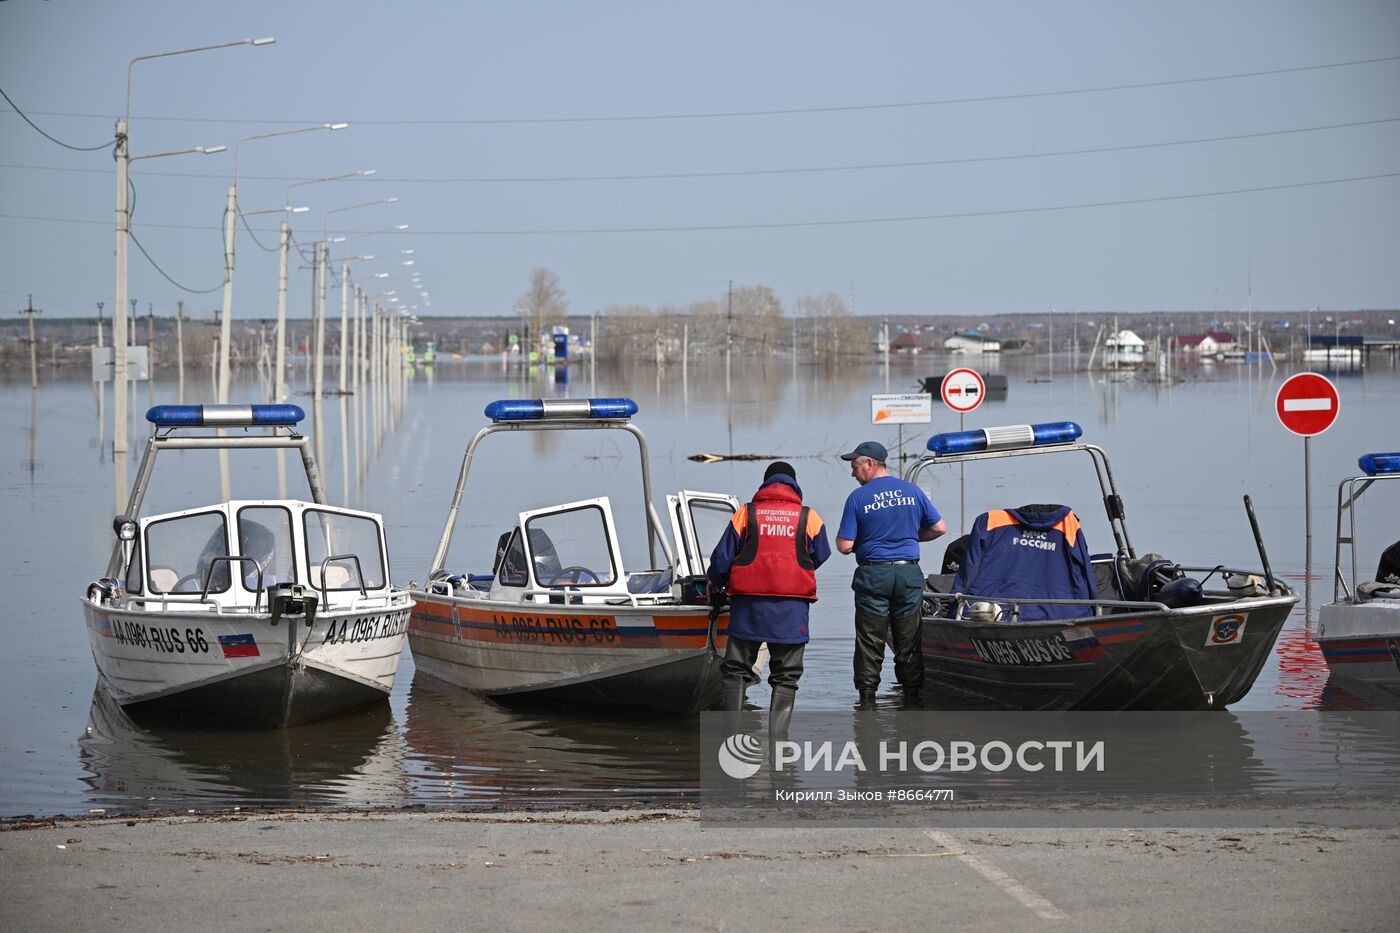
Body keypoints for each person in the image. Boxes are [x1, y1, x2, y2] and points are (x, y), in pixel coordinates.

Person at [708, 461, 831, 734]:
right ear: (794, 484)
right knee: (786, 675)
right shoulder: (808, 517)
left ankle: (733, 736)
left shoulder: (746, 514)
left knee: (736, 670)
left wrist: (716, 584)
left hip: (748, 606)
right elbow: (820, 554)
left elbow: (721, 559)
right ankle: (779, 740)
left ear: (765, 484)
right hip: (792, 608)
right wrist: (792, 571)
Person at [835, 440, 946, 708]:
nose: (852, 474)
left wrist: (869, 541)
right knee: (908, 641)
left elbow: (844, 545)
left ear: (869, 464)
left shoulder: (858, 498)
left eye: (854, 467)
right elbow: (940, 528)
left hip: (874, 575)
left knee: (870, 643)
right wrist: (909, 537)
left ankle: (867, 700)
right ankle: (912, 699)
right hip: (908, 575)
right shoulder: (912, 491)